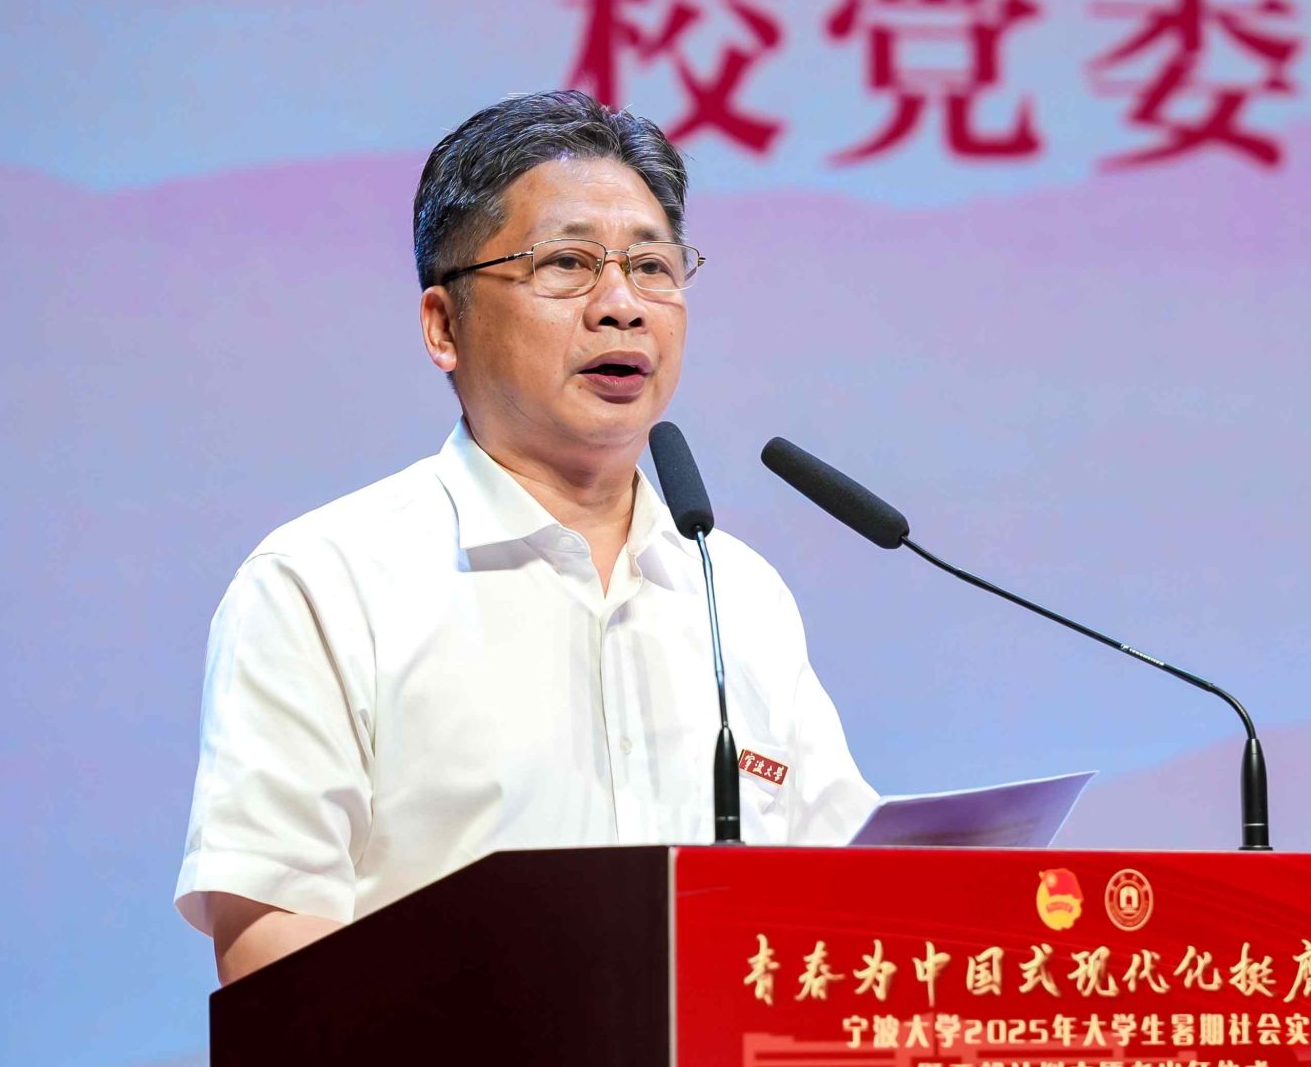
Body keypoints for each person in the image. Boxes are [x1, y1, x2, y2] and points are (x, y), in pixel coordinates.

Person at [174, 90, 878, 984]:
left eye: (652, 266)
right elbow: (271, 940)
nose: (622, 305)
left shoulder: (735, 593)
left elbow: (851, 896)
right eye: (568, 264)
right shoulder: (324, 583)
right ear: (444, 326)